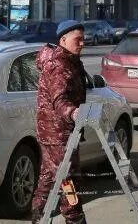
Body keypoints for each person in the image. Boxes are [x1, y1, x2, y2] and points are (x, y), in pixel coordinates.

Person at [31, 20, 89, 224]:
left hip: (57, 132)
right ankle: (74, 219)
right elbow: (59, 100)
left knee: (48, 177)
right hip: (57, 133)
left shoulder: (71, 61)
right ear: (63, 40)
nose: (82, 43)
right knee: (67, 179)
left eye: (83, 39)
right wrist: (73, 113)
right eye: (78, 39)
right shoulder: (59, 65)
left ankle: (38, 217)